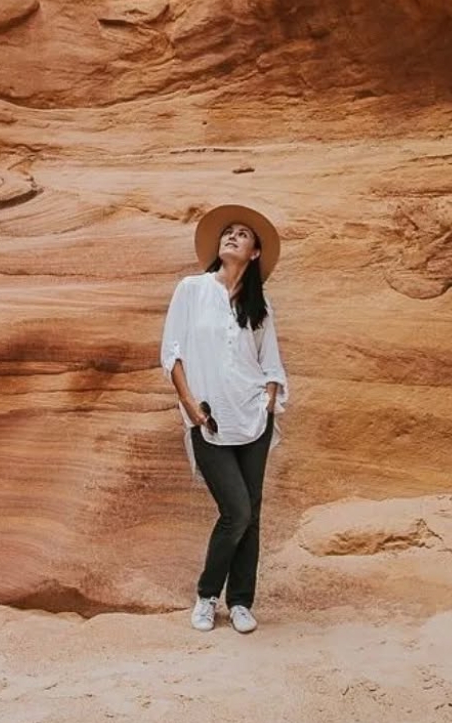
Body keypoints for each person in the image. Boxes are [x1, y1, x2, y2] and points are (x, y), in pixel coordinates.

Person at [160, 203, 289, 634]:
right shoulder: (191, 289)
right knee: (235, 510)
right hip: (209, 419)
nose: (232, 237)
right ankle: (207, 595)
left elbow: (271, 363)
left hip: (253, 417)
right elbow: (172, 353)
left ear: (254, 253)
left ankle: (240, 602)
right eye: (227, 232)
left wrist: (268, 401)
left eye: (242, 234)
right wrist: (191, 405)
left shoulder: (259, 305)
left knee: (252, 510)